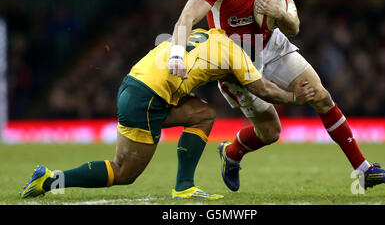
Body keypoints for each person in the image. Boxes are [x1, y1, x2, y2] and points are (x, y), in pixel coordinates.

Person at [168, 0, 385, 191]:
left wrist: (281, 13)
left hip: (272, 45)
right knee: (271, 132)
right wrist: (176, 55)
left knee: (322, 96)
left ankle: (364, 170)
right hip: (236, 61)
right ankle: (231, 153)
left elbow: (294, 27)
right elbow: (185, 19)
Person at [19, 28, 316, 199]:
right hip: (148, 99)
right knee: (123, 173)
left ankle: (184, 186)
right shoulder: (237, 53)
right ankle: (49, 179)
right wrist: (294, 96)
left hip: (134, 85)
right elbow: (263, 88)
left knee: (202, 113)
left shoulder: (206, 33)